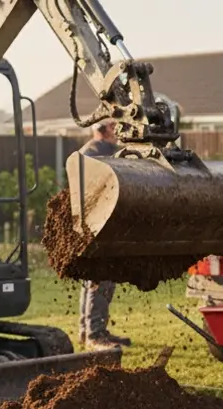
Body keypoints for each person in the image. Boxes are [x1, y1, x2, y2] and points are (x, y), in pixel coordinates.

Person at [77, 120, 131, 349]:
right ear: (103, 130)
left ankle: (87, 330)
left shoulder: (87, 152)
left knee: (93, 278)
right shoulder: (101, 153)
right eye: (112, 126)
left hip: (91, 221)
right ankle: (95, 334)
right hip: (99, 223)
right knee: (101, 277)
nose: (117, 131)